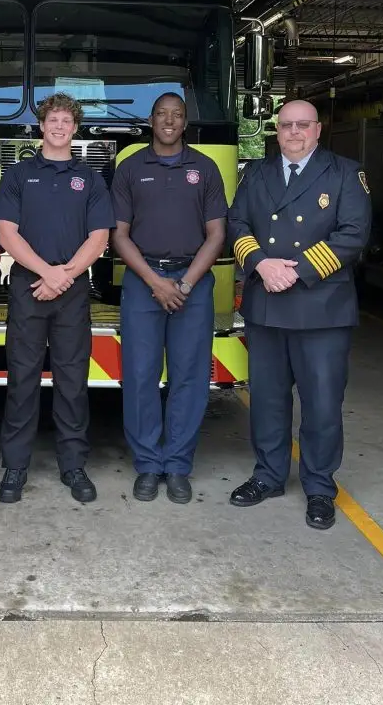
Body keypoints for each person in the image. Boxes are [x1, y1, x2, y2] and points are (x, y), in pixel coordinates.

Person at [228, 99, 372, 531]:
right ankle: (268, 477)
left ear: (318, 129)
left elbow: (353, 235)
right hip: (267, 306)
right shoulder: (256, 173)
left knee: (322, 404)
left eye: (302, 125)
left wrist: (298, 271)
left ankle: (319, 488)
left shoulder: (346, 173)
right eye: (286, 125)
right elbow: (237, 224)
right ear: (277, 130)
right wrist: (260, 264)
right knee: (267, 401)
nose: (293, 132)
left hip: (321, 307)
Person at [0, 93, 115, 504]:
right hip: (28, 288)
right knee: (21, 380)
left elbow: (99, 237)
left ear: (74, 128)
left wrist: (64, 276)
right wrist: (47, 273)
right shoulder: (17, 174)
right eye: (53, 119)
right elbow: (7, 233)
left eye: (67, 120)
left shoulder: (91, 178)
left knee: (72, 381)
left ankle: (73, 466)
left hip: (73, 289)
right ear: (41, 126)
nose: (59, 126)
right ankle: (15, 467)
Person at [111, 93, 227, 504]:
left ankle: (177, 464)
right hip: (144, 282)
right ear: (151, 119)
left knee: (190, 378)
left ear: (185, 122)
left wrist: (186, 284)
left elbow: (216, 234)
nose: (169, 121)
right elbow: (119, 235)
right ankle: (147, 464)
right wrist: (155, 282)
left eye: (177, 115)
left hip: (192, 284)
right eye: (163, 114)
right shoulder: (129, 168)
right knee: (140, 376)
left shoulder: (206, 168)